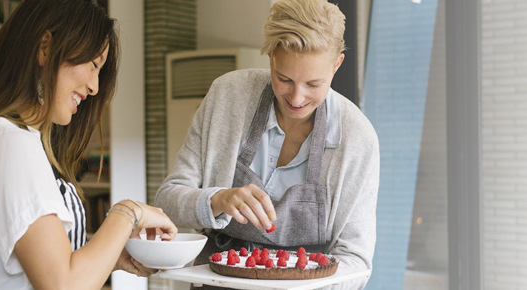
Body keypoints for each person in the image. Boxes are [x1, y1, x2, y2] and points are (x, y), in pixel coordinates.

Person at [0, 0, 177, 289]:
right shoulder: (10, 145)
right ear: (45, 47)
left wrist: (110, 257)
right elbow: (62, 285)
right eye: (93, 65)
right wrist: (128, 212)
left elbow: (32, 270)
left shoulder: (0, 140)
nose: (95, 87)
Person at [154, 0, 379, 288]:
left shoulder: (357, 139)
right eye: (284, 79)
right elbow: (167, 202)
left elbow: (356, 260)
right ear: (271, 57)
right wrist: (217, 199)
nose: (296, 99)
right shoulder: (227, 96)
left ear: (336, 65)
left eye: (313, 84)